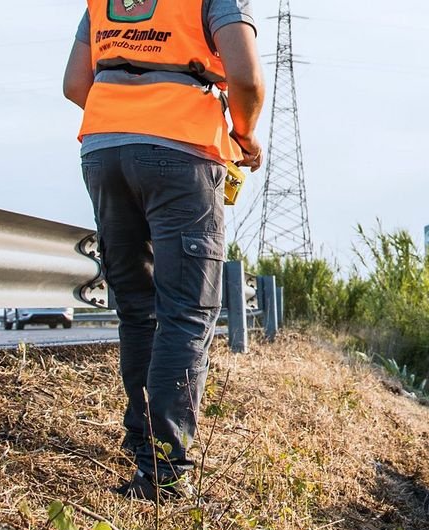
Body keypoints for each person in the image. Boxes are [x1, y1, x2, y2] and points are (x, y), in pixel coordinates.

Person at [62, 0, 264, 503]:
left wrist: (126, 106)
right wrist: (244, 136)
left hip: (104, 149)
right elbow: (246, 79)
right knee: (186, 312)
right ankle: (165, 472)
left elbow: (74, 85)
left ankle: (143, 450)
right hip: (181, 148)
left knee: (137, 310)